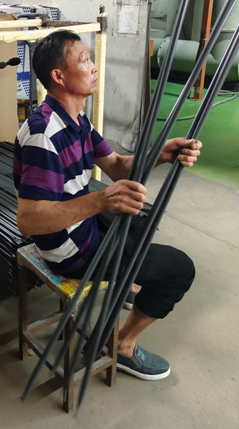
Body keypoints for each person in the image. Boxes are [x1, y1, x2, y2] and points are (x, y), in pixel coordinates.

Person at [14, 30, 202, 381]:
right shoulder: (44, 134)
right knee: (180, 269)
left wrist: (163, 154)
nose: (94, 66)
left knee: (142, 222)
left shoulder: (76, 119)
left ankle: (126, 282)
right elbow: (28, 220)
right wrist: (101, 199)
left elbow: (116, 164)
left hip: (80, 225)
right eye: (84, 60)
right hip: (69, 249)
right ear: (59, 76)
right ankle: (123, 345)